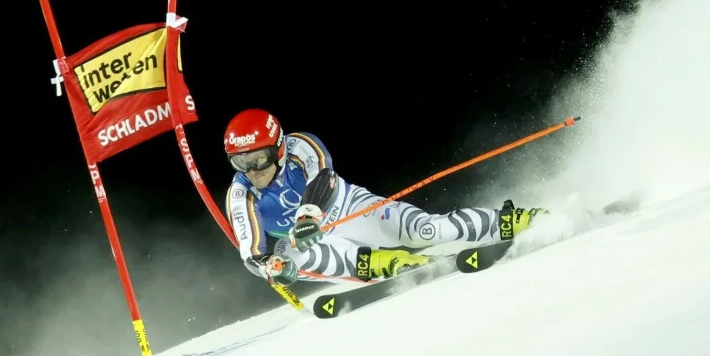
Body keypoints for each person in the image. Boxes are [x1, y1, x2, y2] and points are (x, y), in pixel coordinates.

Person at [223, 108, 548, 286]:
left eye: (259, 159)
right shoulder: (241, 193)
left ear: (278, 147)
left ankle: (513, 220)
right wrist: (272, 266)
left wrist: (309, 216)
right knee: (293, 251)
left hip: (349, 208)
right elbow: (251, 250)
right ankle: (382, 263)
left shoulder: (300, 146)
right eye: (241, 163)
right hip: (306, 243)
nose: (253, 170)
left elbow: (323, 176)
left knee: (426, 231)